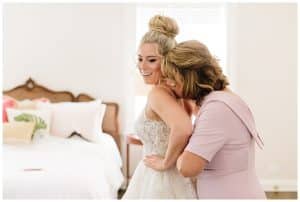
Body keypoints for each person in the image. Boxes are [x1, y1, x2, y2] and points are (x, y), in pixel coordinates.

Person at [145, 40, 266, 199]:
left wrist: (175, 155)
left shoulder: (216, 109)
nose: (170, 83)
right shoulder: (228, 98)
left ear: (189, 77)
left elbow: (187, 168)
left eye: (173, 78)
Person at [122, 15, 196, 199]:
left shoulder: (158, 94)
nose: (142, 66)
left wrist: (165, 163)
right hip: (166, 176)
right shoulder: (177, 89)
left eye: (151, 60)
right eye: (140, 58)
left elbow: (183, 128)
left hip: (161, 179)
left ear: (167, 61)